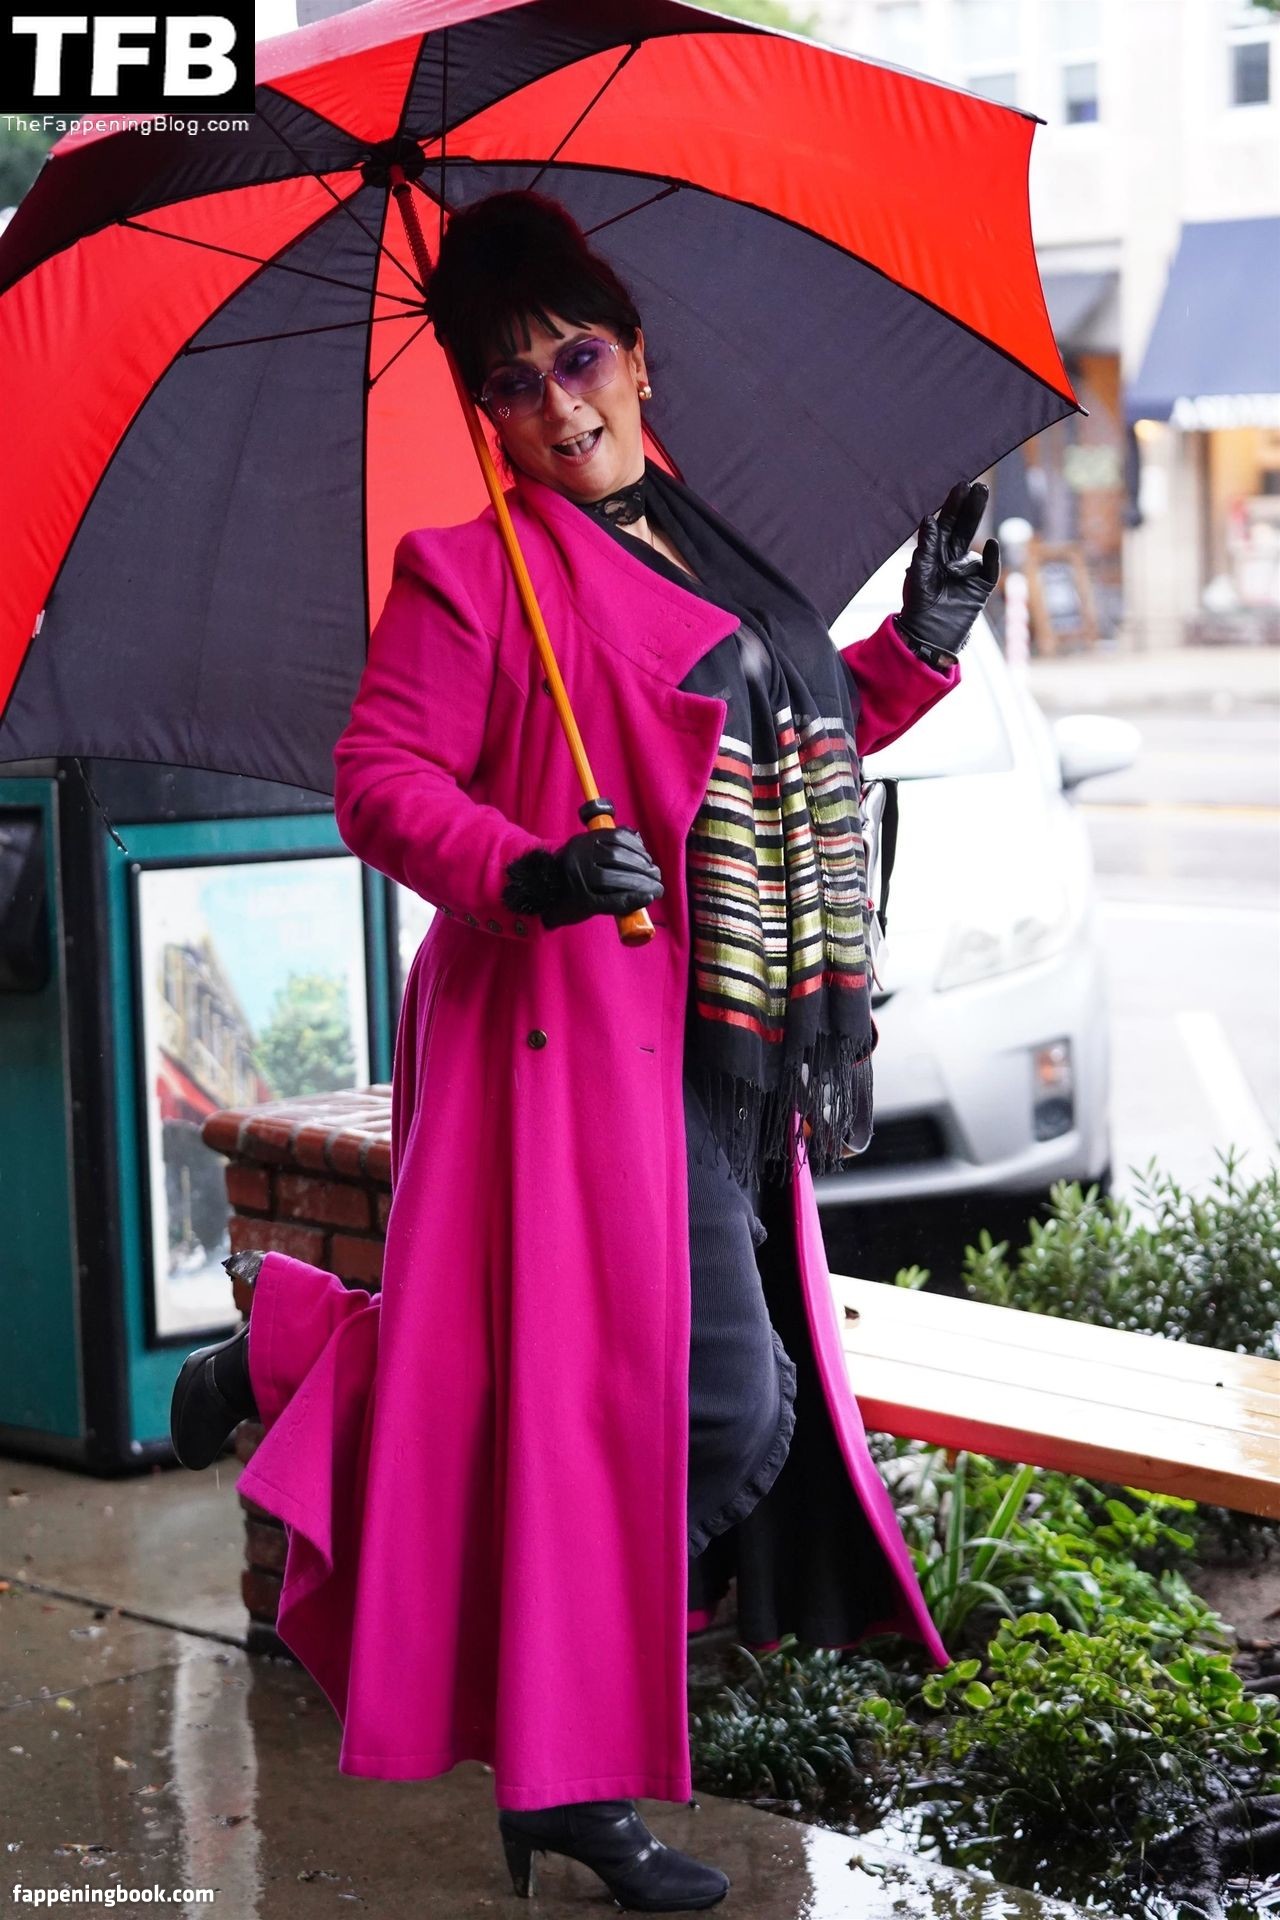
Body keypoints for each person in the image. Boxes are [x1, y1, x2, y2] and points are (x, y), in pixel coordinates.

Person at [169, 190, 998, 1913]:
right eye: (514, 381)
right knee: (717, 1407)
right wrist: (528, 869)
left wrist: (913, 648)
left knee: (606, 1416)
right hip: (562, 1038)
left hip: (719, 1047)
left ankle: (548, 1753)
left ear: (635, 356)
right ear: (485, 411)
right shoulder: (471, 572)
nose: (559, 403)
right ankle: (345, 1413)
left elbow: (763, 742)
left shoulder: (709, 548)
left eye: (579, 358)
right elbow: (380, 784)